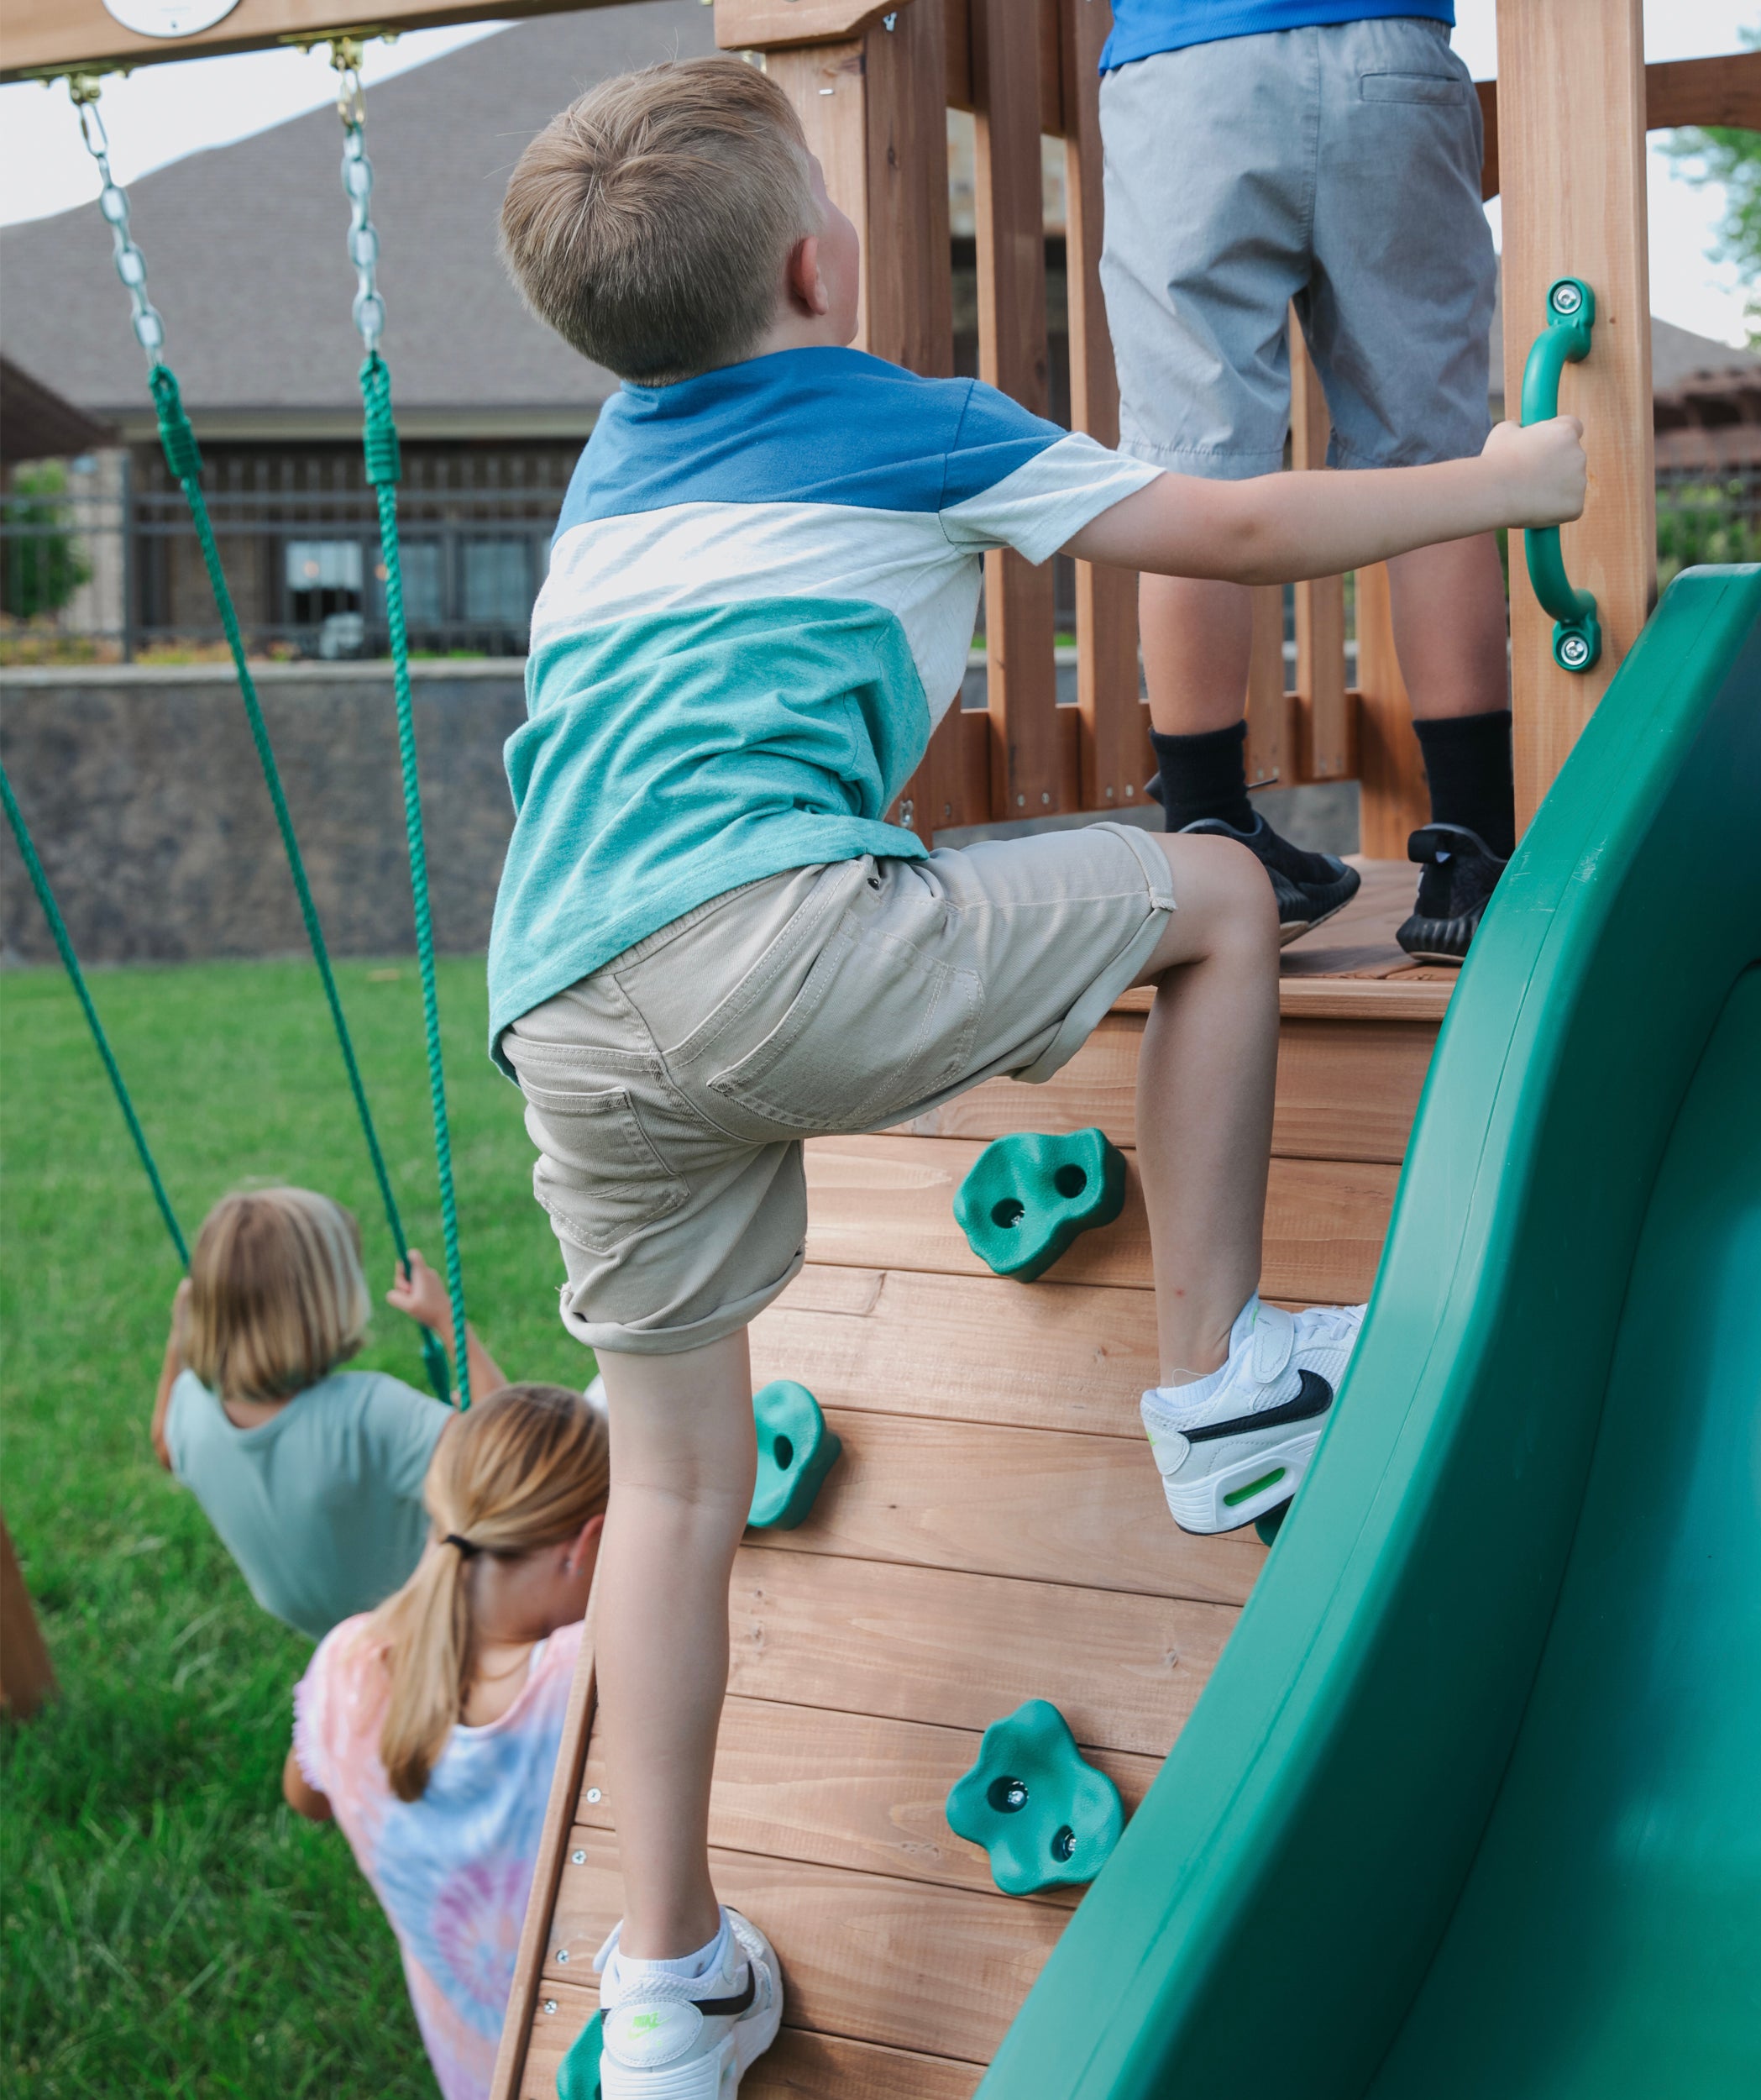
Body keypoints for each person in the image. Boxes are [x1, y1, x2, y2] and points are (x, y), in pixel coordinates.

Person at [494, 57, 1584, 2096]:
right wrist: (1503, 483)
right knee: (1217, 896)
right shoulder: (894, 420)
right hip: (770, 938)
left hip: (560, 1000)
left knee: (672, 1488)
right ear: (823, 258)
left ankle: (662, 1991)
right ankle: (1220, 1380)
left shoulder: (615, 476)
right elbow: (1240, 519)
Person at [1094, 2, 1511, 960]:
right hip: (1387, 50)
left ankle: (1209, 828)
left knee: (1187, 473)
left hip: (1185, 67)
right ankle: (1474, 848)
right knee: (1437, 469)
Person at [283, 1383, 614, 2100]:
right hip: (605, 2060)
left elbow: (306, 1795)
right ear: (587, 1545)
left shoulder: (348, 1663)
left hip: (476, 2067)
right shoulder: (584, 1679)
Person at [152, 1185, 506, 1639]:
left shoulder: (190, 1408)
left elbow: (166, 1445)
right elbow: (513, 1459)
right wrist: (448, 1322)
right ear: (327, 1304)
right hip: (437, 1621)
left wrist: (179, 1341)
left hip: (329, 1629)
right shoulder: (370, 1414)